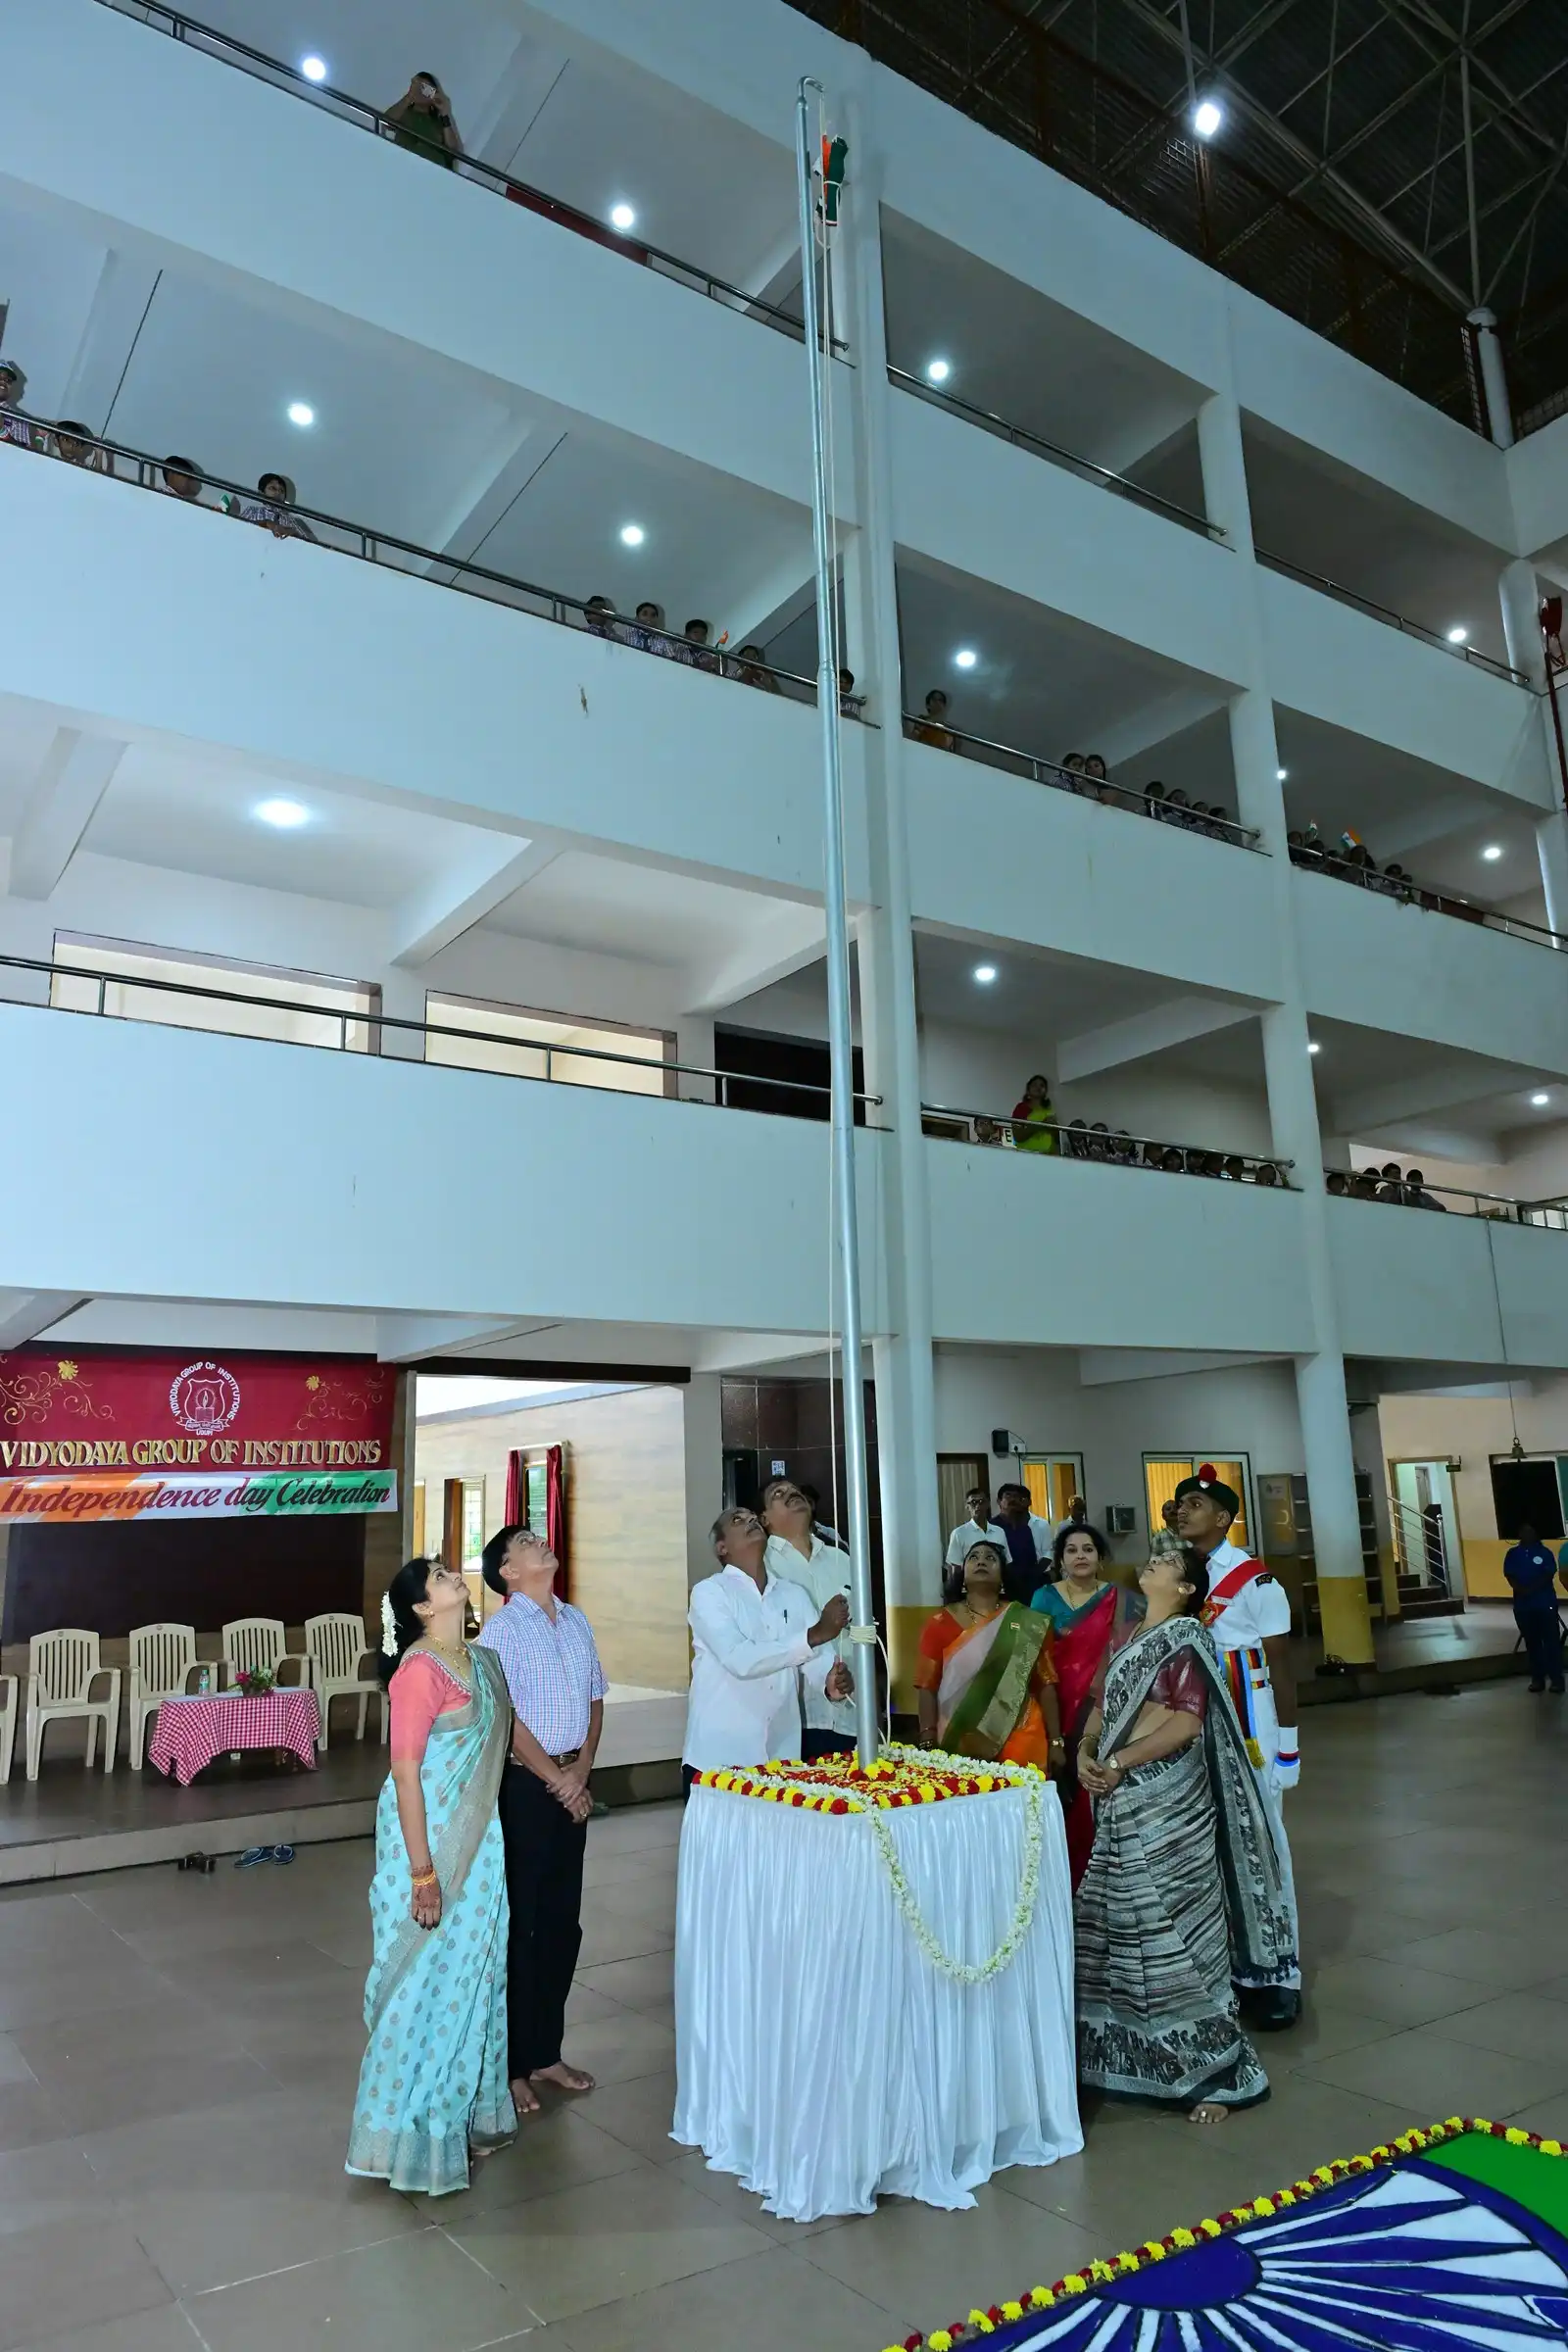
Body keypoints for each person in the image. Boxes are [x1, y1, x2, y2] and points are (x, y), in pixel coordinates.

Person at [1075, 1546, 1295, 2122]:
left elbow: (1187, 1721)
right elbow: (1101, 1704)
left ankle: (1215, 2071)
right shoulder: (1126, 1635)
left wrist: (1118, 1762)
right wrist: (1084, 1751)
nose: (1153, 1561)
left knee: (1176, 1920)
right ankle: (1129, 2053)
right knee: (1119, 1918)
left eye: (1167, 1560)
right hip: (1116, 1794)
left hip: (1168, 1800)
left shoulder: (1186, 1640)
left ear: (1186, 1588)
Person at [347, 1560, 514, 2193]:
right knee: (422, 1987)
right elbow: (406, 1773)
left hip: (481, 1845)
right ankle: (405, 2134)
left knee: (471, 1978)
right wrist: (422, 1873)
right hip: (428, 1848)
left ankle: (456, 2117)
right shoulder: (419, 1671)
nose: (452, 1577)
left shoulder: (479, 1661)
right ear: (422, 1607)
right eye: (440, 1576)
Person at [477, 1525, 605, 2116]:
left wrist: (581, 1769)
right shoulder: (502, 1631)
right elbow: (506, 1718)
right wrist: (558, 1781)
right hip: (528, 1788)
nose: (540, 1542)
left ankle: (547, 2051)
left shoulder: (575, 1620)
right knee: (522, 1928)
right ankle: (512, 2067)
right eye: (525, 1542)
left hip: (571, 1779)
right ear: (507, 1571)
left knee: (562, 1925)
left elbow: (595, 1698)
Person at [1175, 1466, 1300, 2027]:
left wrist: (1288, 1747)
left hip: (1250, 1720)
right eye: (1180, 1504)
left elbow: (1282, 1664)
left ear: (1224, 1518)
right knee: (1213, 1844)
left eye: (1195, 1504)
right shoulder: (1181, 1575)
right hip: (1198, 1718)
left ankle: (1278, 1974)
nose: (1183, 1511)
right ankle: (1231, 1965)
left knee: (1264, 1842)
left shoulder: (1255, 1580)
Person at [684, 1505, 850, 1785]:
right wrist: (812, 1636)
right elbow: (739, 1660)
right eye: (738, 1519)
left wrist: (830, 1682)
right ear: (722, 1548)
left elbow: (816, 1660)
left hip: (780, 1757)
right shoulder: (709, 1592)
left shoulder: (794, 1594)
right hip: (718, 1757)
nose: (750, 1519)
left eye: (752, 1517)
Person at [1033, 1521, 1143, 1886]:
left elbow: (1130, 1654)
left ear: (1100, 1558)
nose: (1080, 1556)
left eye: (1088, 1549)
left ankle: (1100, 1878)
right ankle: (1064, 1878)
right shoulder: (1043, 1597)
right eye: (1071, 1550)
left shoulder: (1121, 1600)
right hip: (1055, 1702)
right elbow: (1035, 1658)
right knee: (1061, 1784)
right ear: (1060, 1560)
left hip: (1103, 1705)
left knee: (1097, 1781)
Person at [914, 1539, 1063, 1770]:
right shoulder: (940, 1623)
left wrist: (1055, 1741)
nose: (981, 1561)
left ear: (1003, 1576)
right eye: (973, 1557)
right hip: (959, 1739)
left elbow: (1046, 1682)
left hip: (1021, 1738)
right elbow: (927, 1686)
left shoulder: (1026, 1621)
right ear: (962, 1576)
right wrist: (927, 1738)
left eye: (990, 1558)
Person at [761, 1476, 858, 1757]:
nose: (791, 1493)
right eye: (778, 1493)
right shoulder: (763, 1565)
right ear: (764, 1519)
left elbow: (862, 1631)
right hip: (794, 1716)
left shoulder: (841, 1558)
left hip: (849, 1708)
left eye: (795, 1490)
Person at [1504, 1522, 1564, 1693]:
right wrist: (1520, 1589)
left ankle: (1557, 1680)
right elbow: (1509, 1574)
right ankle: (1537, 1679)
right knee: (1532, 1644)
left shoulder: (1545, 1553)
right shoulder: (1513, 1554)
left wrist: (1532, 1589)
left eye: (1530, 1531)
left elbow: (1548, 1573)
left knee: (1551, 1643)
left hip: (1544, 1604)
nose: (1527, 1534)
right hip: (1524, 1606)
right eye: (1524, 1531)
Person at [993, 1479, 1055, 1602]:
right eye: (1008, 1495)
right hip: (1003, 1586)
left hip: (1030, 1585)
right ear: (999, 1501)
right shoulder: (992, 1527)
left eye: (1016, 1496)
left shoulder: (1025, 1528)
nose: (1013, 1499)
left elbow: (1034, 1558)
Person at [385, 71, 463, 168]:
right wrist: (409, 96)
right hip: (406, 166)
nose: (421, 92)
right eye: (418, 87)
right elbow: (386, 122)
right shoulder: (403, 112)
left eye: (426, 88)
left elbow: (453, 151)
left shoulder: (439, 122)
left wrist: (445, 112)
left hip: (434, 169)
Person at [227, 471, 318, 541]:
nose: (278, 493)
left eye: (282, 491)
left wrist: (293, 533)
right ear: (261, 493)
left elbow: (310, 545)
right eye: (273, 488)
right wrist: (267, 524)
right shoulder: (252, 511)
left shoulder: (291, 521)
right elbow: (239, 529)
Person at [945, 1484, 1004, 1569]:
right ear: (967, 1506)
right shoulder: (959, 1533)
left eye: (981, 1501)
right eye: (973, 1502)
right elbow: (954, 1566)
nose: (977, 1506)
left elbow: (1006, 1562)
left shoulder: (999, 1532)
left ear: (988, 1504)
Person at [1011, 1072, 1057, 1153]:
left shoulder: (1049, 1109)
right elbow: (1017, 1136)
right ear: (1028, 1089)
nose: (1038, 1088)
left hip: (1049, 1155)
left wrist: (1054, 1128)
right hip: (1028, 1155)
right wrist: (1042, 1125)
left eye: (1042, 1085)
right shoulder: (1021, 1108)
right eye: (1035, 1085)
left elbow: (1056, 1137)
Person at [0, 361, 33, 447]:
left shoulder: (19, 418)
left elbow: (21, 451)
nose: (3, 381)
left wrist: (2, 432)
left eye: (8, 380)